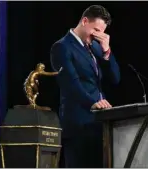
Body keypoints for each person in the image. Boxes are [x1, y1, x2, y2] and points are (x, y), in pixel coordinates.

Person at [50, 5, 120, 168]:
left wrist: (106, 51)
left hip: (99, 124)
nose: (97, 36)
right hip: (78, 124)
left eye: (101, 32)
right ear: (84, 21)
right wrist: (92, 103)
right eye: (95, 29)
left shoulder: (95, 47)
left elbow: (115, 79)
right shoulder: (62, 47)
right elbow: (70, 83)